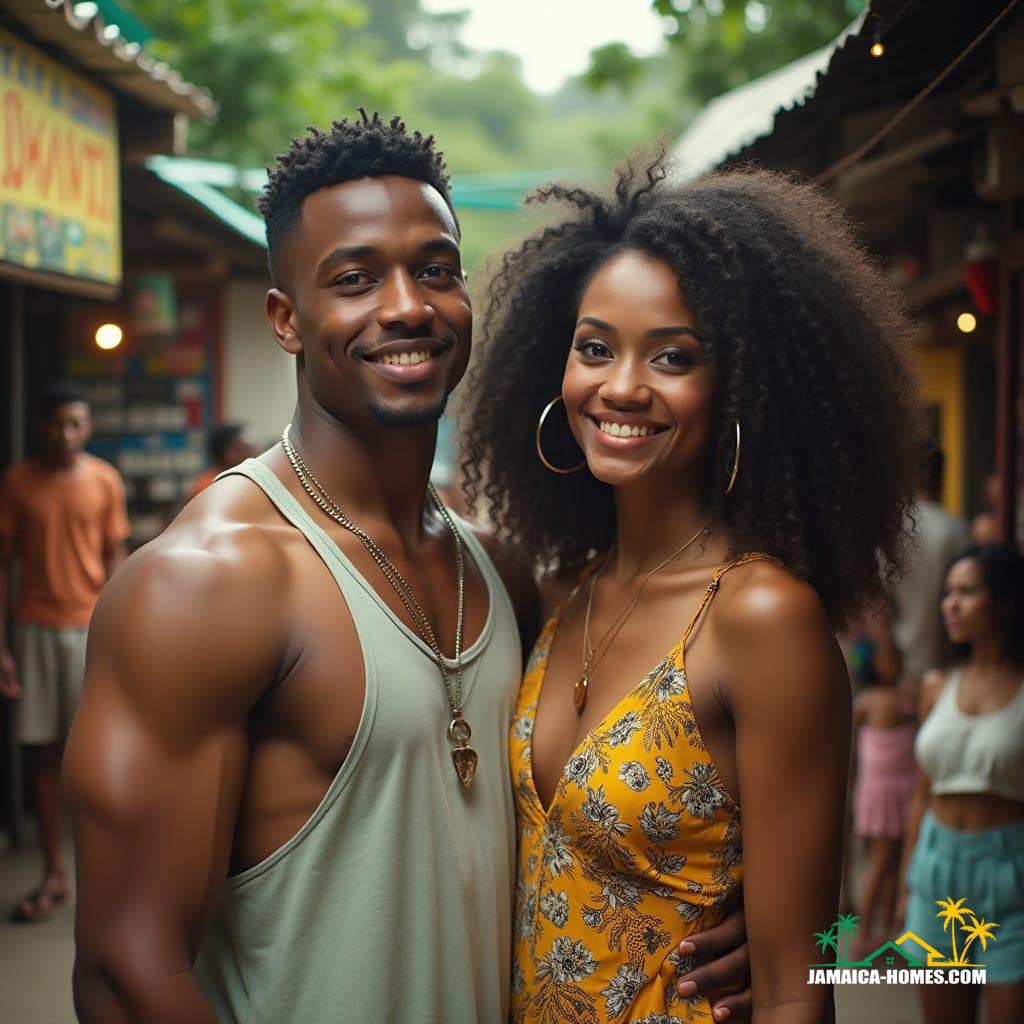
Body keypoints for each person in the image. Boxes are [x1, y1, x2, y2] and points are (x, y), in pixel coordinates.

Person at [64, 114, 751, 1023]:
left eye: (435, 269)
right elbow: (127, 969)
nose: (406, 306)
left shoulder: (495, 568)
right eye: (354, 279)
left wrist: (758, 925)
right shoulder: (207, 580)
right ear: (286, 319)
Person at [459, 159, 920, 1021]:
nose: (622, 386)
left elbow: (796, 989)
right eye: (595, 347)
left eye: (673, 357)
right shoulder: (569, 594)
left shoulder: (760, 617)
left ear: (743, 386)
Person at [0, 381, 129, 922]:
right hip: (33, 628)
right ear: (42, 427)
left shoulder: (104, 479)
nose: (67, 433)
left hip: (91, 628)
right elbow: (4, 565)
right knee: (43, 756)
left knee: (99, 756)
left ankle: (110, 875)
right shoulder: (18, 481)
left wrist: (122, 633)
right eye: (57, 423)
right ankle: (54, 871)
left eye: (76, 423)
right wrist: (2, 648)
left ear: (88, 426)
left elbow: (116, 557)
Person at [901, 545, 1024, 1024]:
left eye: (967, 592)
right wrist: (906, 886)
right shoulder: (937, 684)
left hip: (1009, 877)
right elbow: (921, 793)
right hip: (936, 870)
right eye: (948, 592)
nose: (949, 604)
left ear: (1006, 602)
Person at [850, 648, 917, 953]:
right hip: (879, 790)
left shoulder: (908, 696)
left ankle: (888, 931)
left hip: (905, 788)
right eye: (889, 657)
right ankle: (863, 936)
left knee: (892, 863)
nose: (896, 662)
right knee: (880, 861)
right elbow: (850, 747)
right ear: (874, 663)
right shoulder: (869, 701)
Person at [889, 448, 970, 688]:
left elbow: (877, 601)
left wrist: (884, 651)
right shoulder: (955, 530)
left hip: (899, 662)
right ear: (942, 477)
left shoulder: (893, 530)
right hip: (945, 660)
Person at [188, 422, 258, 500]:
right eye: (248, 450)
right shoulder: (207, 488)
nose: (256, 457)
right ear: (230, 453)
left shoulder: (246, 481)